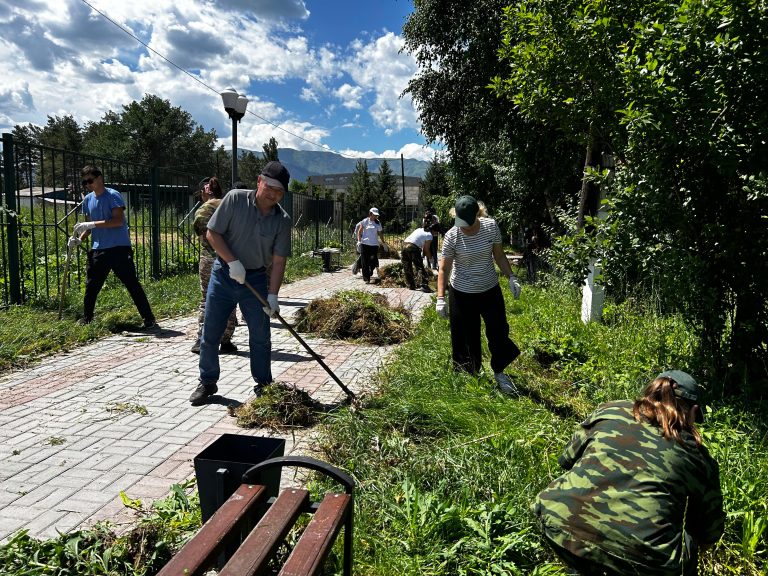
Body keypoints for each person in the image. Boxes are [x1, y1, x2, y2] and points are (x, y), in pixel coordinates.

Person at [533, 370, 725, 576]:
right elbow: (710, 533)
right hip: (645, 562)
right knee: (689, 542)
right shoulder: (697, 456)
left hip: (557, 522)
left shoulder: (610, 409)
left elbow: (567, 460)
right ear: (693, 411)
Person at [188, 161, 292, 406]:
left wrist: (273, 295)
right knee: (211, 332)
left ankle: (264, 384)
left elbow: (279, 261)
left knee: (260, 335)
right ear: (259, 181)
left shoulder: (282, 220)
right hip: (224, 275)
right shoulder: (235, 200)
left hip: (255, 279)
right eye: (270, 187)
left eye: (279, 191)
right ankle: (207, 381)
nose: (273, 194)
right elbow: (213, 233)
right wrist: (232, 262)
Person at [435, 195, 521, 394]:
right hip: (461, 293)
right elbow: (444, 268)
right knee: (465, 337)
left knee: (499, 331)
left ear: (477, 214)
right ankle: (470, 377)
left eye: (468, 222)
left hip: (489, 289)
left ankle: (500, 372)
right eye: (461, 222)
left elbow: (499, 255)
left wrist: (511, 277)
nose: (464, 227)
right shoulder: (452, 235)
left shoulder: (490, 227)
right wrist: (440, 298)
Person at [69, 165, 158, 330]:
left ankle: (149, 318)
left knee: (131, 284)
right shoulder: (88, 200)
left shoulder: (112, 195)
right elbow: (89, 227)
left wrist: (92, 224)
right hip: (98, 249)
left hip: (118, 248)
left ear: (99, 178)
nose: (87, 184)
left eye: (90, 180)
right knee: (91, 286)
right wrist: (79, 239)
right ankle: (87, 319)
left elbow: (118, 221)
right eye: (84, 182)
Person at [190, 176, 237, 354]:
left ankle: (201, 339)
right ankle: (225, 340)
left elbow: (200, 229)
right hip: (231, 258)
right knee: (231, 298)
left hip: (210, 258)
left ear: (206, 191)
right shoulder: (229, 205)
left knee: (207, 298)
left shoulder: (205, 208)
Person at [401, 222, 436, 291]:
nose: (436, 233)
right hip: (412, 248)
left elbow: (421, 245)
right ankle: (424, 285)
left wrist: (422, 254)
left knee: (407, 267)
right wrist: (431, 259)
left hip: (404, 246)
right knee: (419, 267)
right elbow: (426, 249)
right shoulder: (429, 235)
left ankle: (411, 285)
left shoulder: (419, 229)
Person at [357, 207, 384, 284]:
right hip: (365, 244)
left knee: (373, 260)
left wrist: (383, 242)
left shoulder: (378, 223)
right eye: (374, 215)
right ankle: (366, 278)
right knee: (364, 262)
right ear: (370, 214)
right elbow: (359, 232)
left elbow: (380, 233)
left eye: (376, 215)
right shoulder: (365, 221)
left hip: (374, 245)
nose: (375, 216)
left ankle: (371, 270)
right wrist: (359, 241)